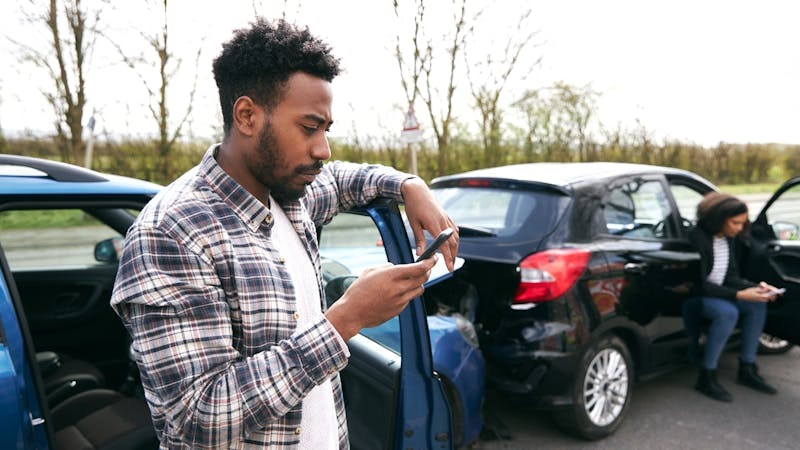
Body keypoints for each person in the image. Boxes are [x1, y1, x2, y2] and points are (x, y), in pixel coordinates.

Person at [110, 17, 459, 449]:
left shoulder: (291, 194)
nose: (323, 150)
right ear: (247, 115)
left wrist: (409, 185)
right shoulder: (173, 231)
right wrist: (345, 320)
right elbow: (198, 416)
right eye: (309, 128)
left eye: (325, 130)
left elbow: (346, 178)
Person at [682, 192, 779, 402]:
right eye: (734, 222)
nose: (739, 228)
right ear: (719, 218)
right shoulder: (696, 238)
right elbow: (698, 285)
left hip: (718, 293)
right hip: (695, 297)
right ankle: (706, 376)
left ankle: (747, 368)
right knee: (728, 312)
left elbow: (731, 276)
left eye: (742, 223)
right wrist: (738, 294)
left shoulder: (727, 239)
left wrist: (757, 288)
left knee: (757, 304)